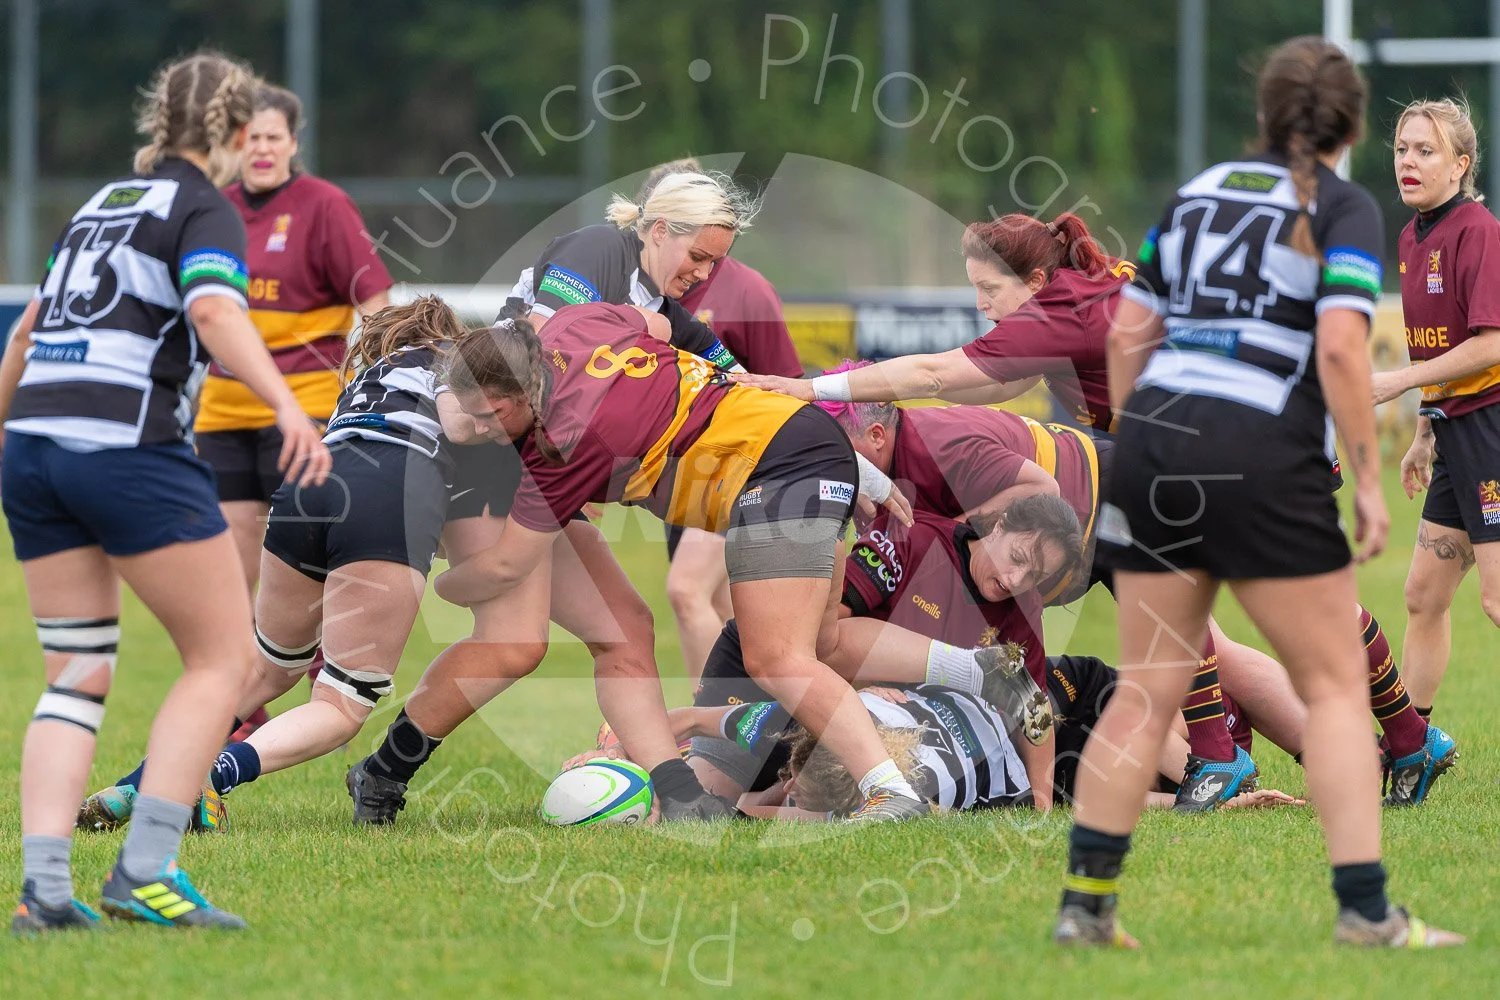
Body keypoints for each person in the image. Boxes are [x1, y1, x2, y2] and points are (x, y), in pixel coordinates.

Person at [1055, 37, 1461, 949]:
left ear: (1265, 114)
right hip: (1261, 448)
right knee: (1329, 692)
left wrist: (1142, 440)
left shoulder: (1198, 192)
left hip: (1154, 446)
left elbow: (1129, 329)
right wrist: (1363, 475)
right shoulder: (1342, 205)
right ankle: (1365, 915)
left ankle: (1086, 910)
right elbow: (1342, 349)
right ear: (1350, 123)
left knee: (1145, 692)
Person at [0, 52, 330, 935]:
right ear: (228, 133)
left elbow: (30, 334)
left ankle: (44, 892)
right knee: (221, 661)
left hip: (34, 450)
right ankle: (144, 872)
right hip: (127, 448)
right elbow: (217, 314)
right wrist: (289, 407)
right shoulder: (204, 207)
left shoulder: (97, 205)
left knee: (74, 673)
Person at [413, 301, 931, 822]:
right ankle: (965, 681)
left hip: (779, 470)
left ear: (528, 392)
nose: (479, 428)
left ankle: (892, 793)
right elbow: (670, 322)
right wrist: (732, 384)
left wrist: (441, 584)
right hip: (801, 440)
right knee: (820, 647)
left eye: (491, 414)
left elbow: (506, 566)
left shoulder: (565, 441)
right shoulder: (577, 323)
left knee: (776, 658)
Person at [195, 85, 392, 738]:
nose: (260, 148)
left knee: (300, 555)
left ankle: (316, 664)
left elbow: (379, 303)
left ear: (293, 143)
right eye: (248, 137)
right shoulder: (212, 211)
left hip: (306, 410)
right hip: (223, 413)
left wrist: (388, 379)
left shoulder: (324, 207)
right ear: (233, 146)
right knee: (231, 564)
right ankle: (243, 700)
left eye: (272, 136)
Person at [733, 210, 1134, 433]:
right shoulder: (1082, 286)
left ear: (1035, 281)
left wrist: (809, 388)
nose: (980, 304)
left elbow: (933, 373)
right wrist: (904, 391)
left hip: (1184, 446)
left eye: (990, 289)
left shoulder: (1054, 314)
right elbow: (1006, 385)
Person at [639, 158, 804, 683]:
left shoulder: (746, 291)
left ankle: (716, 730)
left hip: (741, 466)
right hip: (674, 476)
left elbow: (787, 389)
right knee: (728, 609)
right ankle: (770, 732)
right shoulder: (633, 287)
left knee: (687, 593)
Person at [1373, 97, 1500, 748]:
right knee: (1424, 595)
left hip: (1492, 430)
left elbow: (1489, 345)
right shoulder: (1410, 236)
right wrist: (1425, 428)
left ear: (1460, 165)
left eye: (1426, 150)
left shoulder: (1476, 228)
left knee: (1496, 601)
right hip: (1454, 430)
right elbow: (1436, 348)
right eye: (1402, 149)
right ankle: (1411, 745)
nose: (1409, 162)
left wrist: (1397, 384)